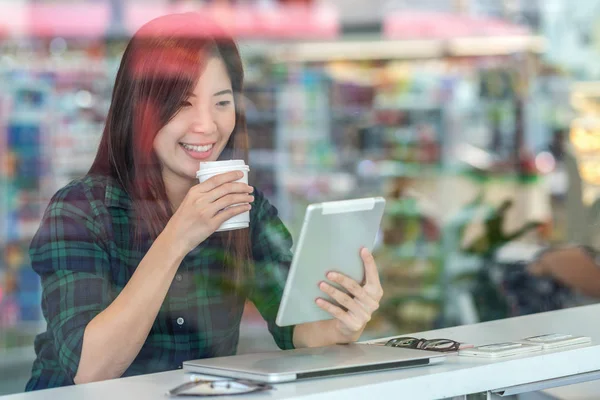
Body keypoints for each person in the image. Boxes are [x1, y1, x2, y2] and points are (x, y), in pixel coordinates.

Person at [25, 13, 383, 391]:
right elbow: (90, 368)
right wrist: (178, 237)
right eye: (182, 103)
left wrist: (342, 322)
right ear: (140, 108)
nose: (207, 126)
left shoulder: (244, 207)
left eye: (222, 102)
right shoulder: (81, 211)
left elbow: (295, 329)